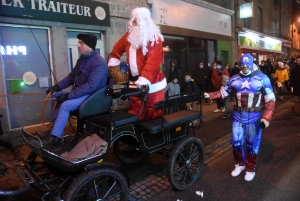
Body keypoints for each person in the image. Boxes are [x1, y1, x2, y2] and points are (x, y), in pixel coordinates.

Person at [204, 53, 276, 181]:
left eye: (246, 65)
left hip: (254, 117)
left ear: (251, 64)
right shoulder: (234, 78)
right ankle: (240, 164)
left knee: (252, 144)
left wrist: (266, 117)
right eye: (242, 65)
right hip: (238, 115)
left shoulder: (262, 78)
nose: (244, 67)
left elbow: (270, 99)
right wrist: (211, 95)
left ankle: (250, 168)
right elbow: (223, 92)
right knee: (236, 142)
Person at [36, 33, 108, 146]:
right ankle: (55, 132)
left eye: (81, 43)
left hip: (93, 96)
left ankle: (54, 138)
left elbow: (90, 86)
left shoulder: (99, 63)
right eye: (79, 42)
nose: (78, 45)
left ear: (89, 45)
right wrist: (57, 87)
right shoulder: (82, 60)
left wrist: (68, 96)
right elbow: (71, 77)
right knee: (55, 98)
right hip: (82, 93)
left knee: (65, 105)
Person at [108, 7, 166, 120]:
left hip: (152, 83)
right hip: (134, 82)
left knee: (152, 112)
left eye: (138, 21)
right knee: (135, 112)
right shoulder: (128, 36)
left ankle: (152, 135)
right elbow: (117, 48)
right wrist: (114, 59)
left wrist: (144, 78)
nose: (136, 24)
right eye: (134, 21)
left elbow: (153, 62)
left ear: (146, 21)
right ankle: (137, 135)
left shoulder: (155, 38)